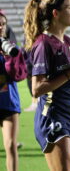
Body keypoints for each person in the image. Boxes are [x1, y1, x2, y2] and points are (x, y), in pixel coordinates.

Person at [23, 0, 70, 171]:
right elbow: (37, 89)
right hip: (52, 116)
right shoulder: (43, 44)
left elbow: (68, 82)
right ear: (56, 13)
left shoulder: (69, 42)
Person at [0, 11, 27, 171]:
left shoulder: (12, 49)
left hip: (8, 102)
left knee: (10, 145)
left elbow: (19, 75)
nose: (0, 27)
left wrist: (10, 59)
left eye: (3, 24)